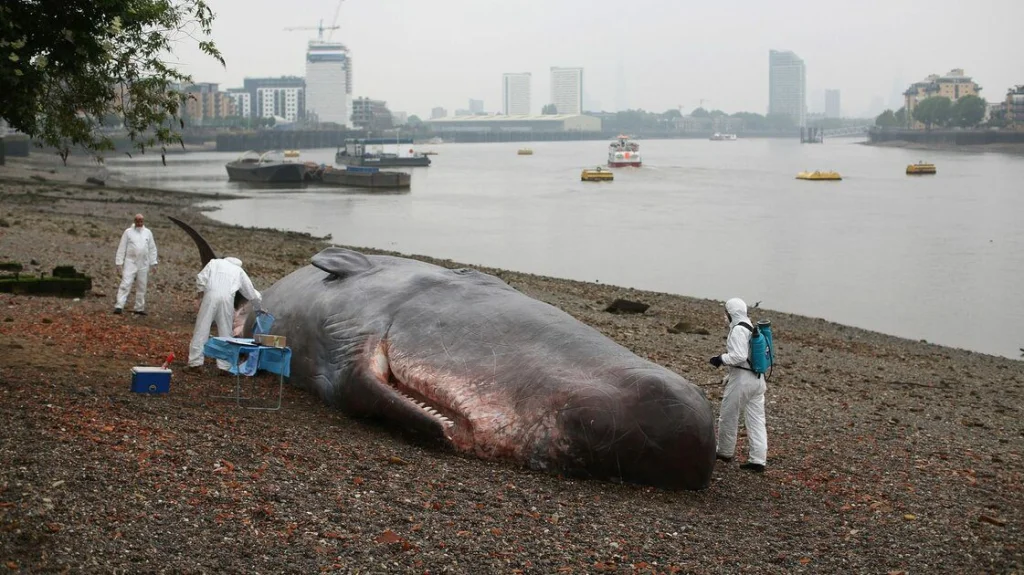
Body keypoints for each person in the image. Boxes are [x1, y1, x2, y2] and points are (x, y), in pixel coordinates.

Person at [709, 297, 768, 472]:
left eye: (725, 312)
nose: (724, 315)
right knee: (757, 420)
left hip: (742, 382)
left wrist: (719, 359)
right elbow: (748, 358)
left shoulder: (737, 330)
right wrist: (728, 377)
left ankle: (725, 452)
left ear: (730, 313)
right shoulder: (751, 326)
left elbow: (739, 356)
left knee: (728, 415)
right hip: (758, 379)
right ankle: (758, 460)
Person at [187, 257, 262, 371]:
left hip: (210, 296)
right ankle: (225, 366)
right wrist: (258, 308)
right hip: (227, 299)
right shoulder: (238, 270)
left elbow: (201, 278)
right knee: (225, 332)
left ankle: (195, 363)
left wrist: (200, 296)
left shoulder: (214, 262)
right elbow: (250, 291)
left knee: (201, 329)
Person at [114, 213, 158, 315]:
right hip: (130, 262)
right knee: (126, 283)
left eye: (141, 221)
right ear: (134, 221)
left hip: (143, 263)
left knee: (142, 286)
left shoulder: (148, 233)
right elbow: (122, 248)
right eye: (137, 221)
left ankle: (139, 308)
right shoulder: (128, 232)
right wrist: (119, 263)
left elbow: (152, 248)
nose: (139, 223)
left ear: (143, 221)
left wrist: (154, 263)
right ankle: (119, 305)